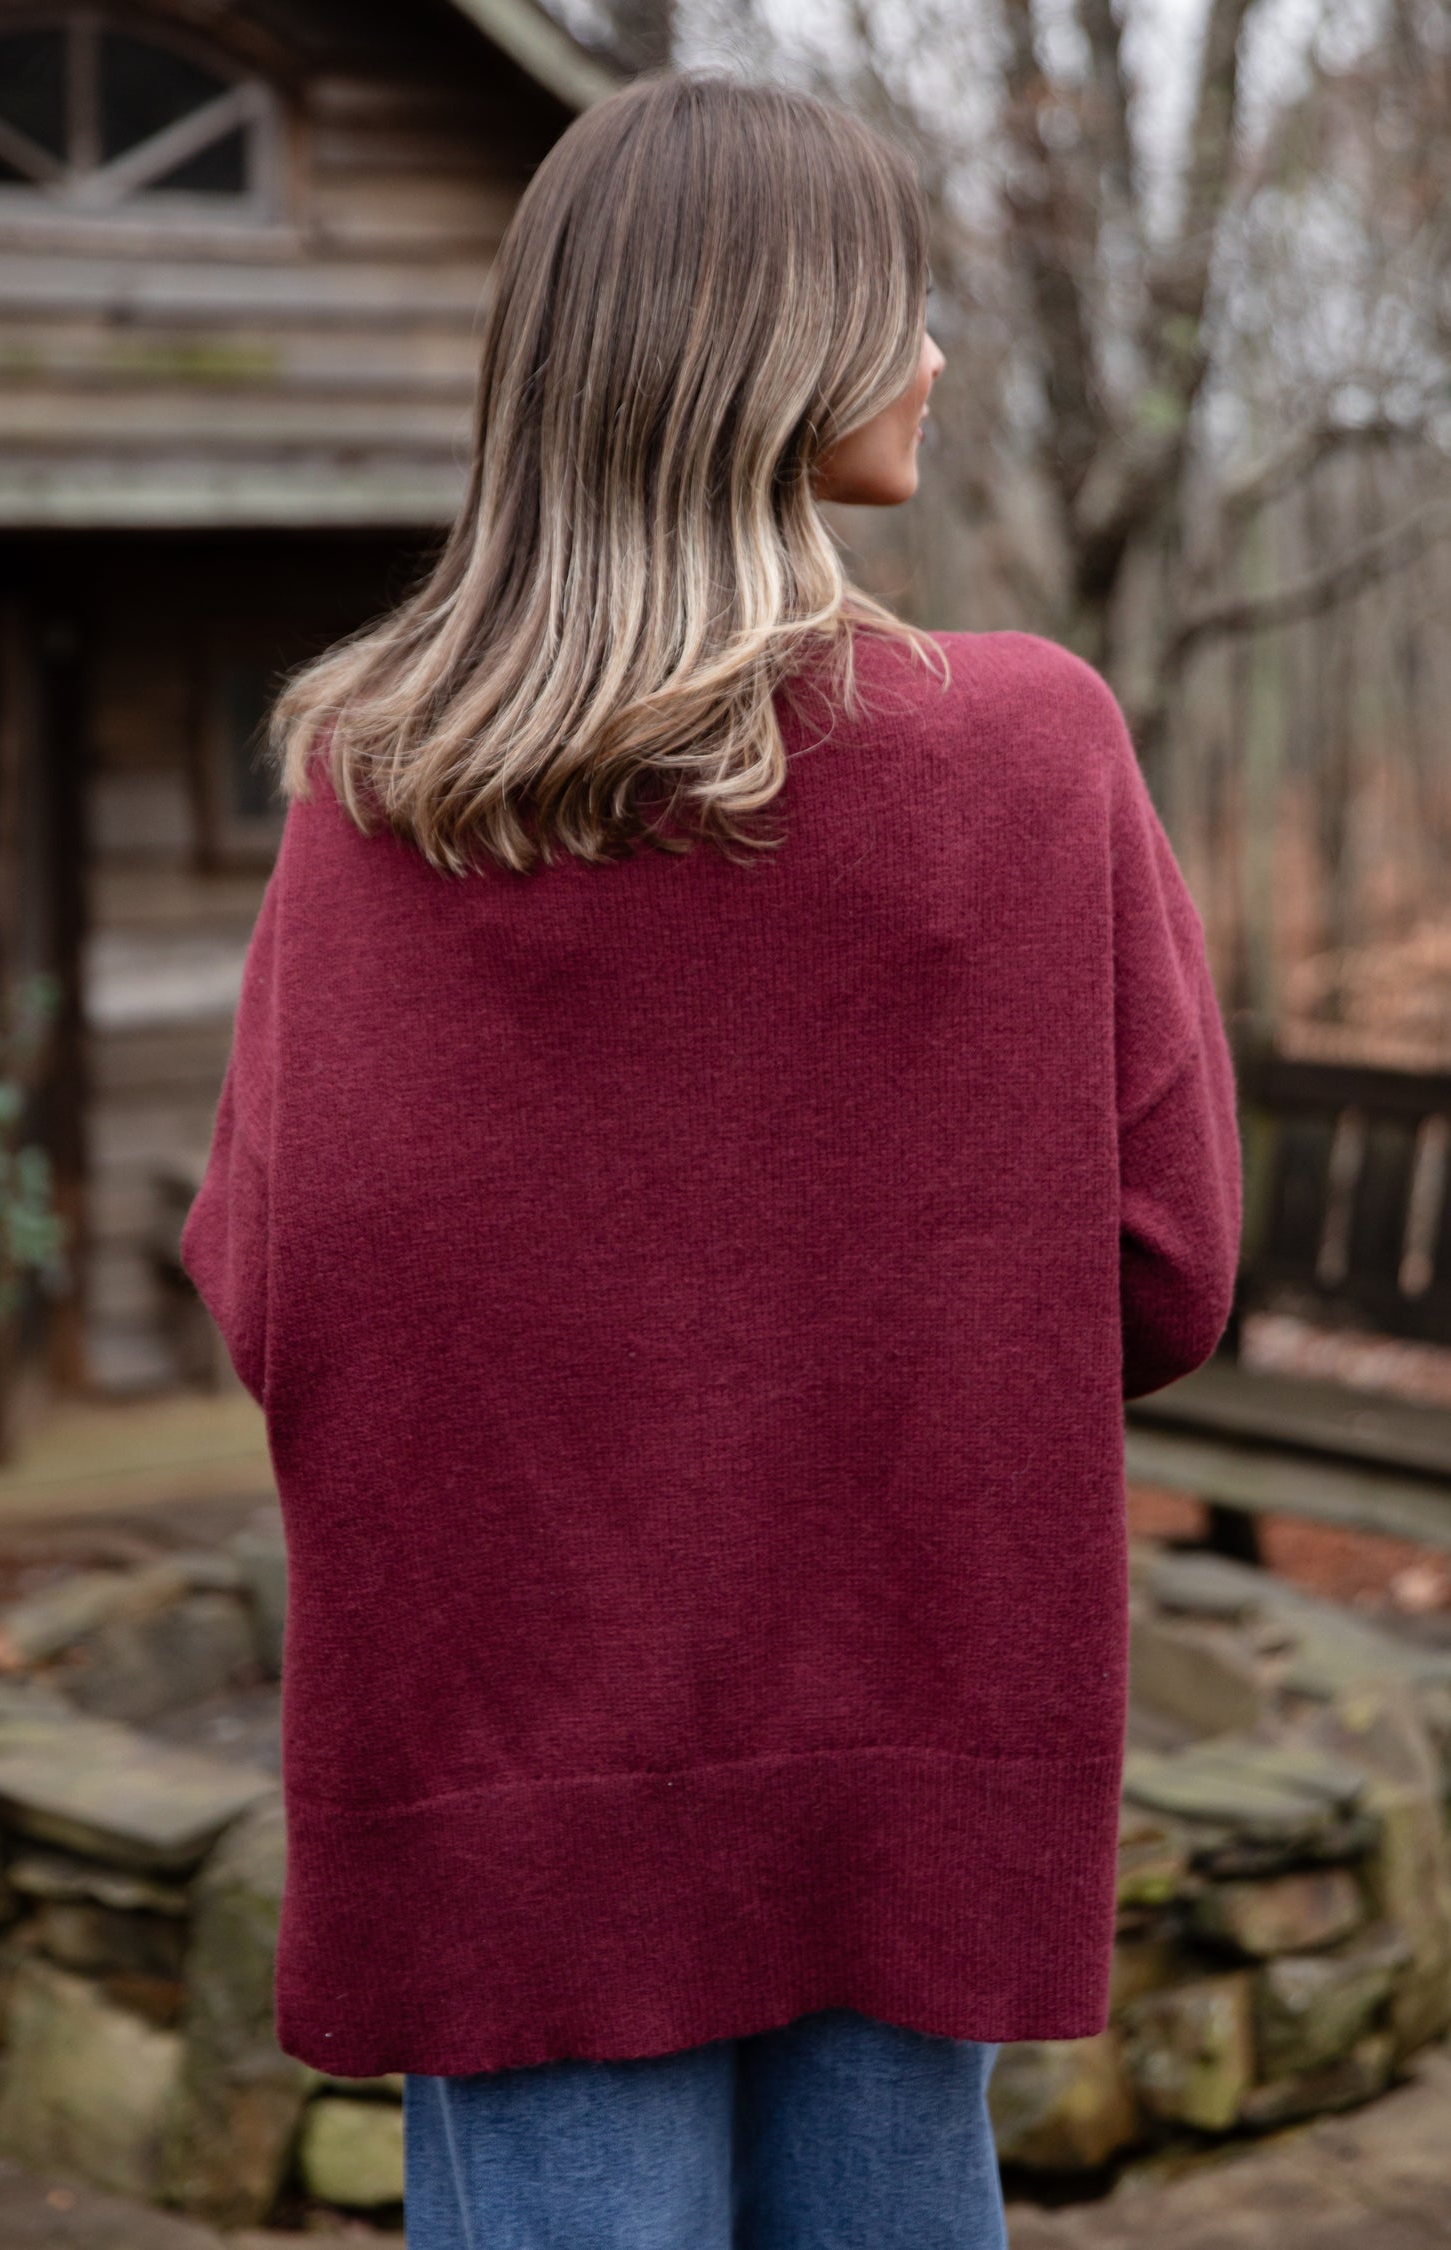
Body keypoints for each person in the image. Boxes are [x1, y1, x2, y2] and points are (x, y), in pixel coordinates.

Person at [183, 72, 1241, 2250]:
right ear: (769, 354)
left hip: (511, 1787)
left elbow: (274, 1288)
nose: (937, 352)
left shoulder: (374, 797)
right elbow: (1163, 1269)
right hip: (902, 1743)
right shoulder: (1029, 751)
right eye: (898, 302)